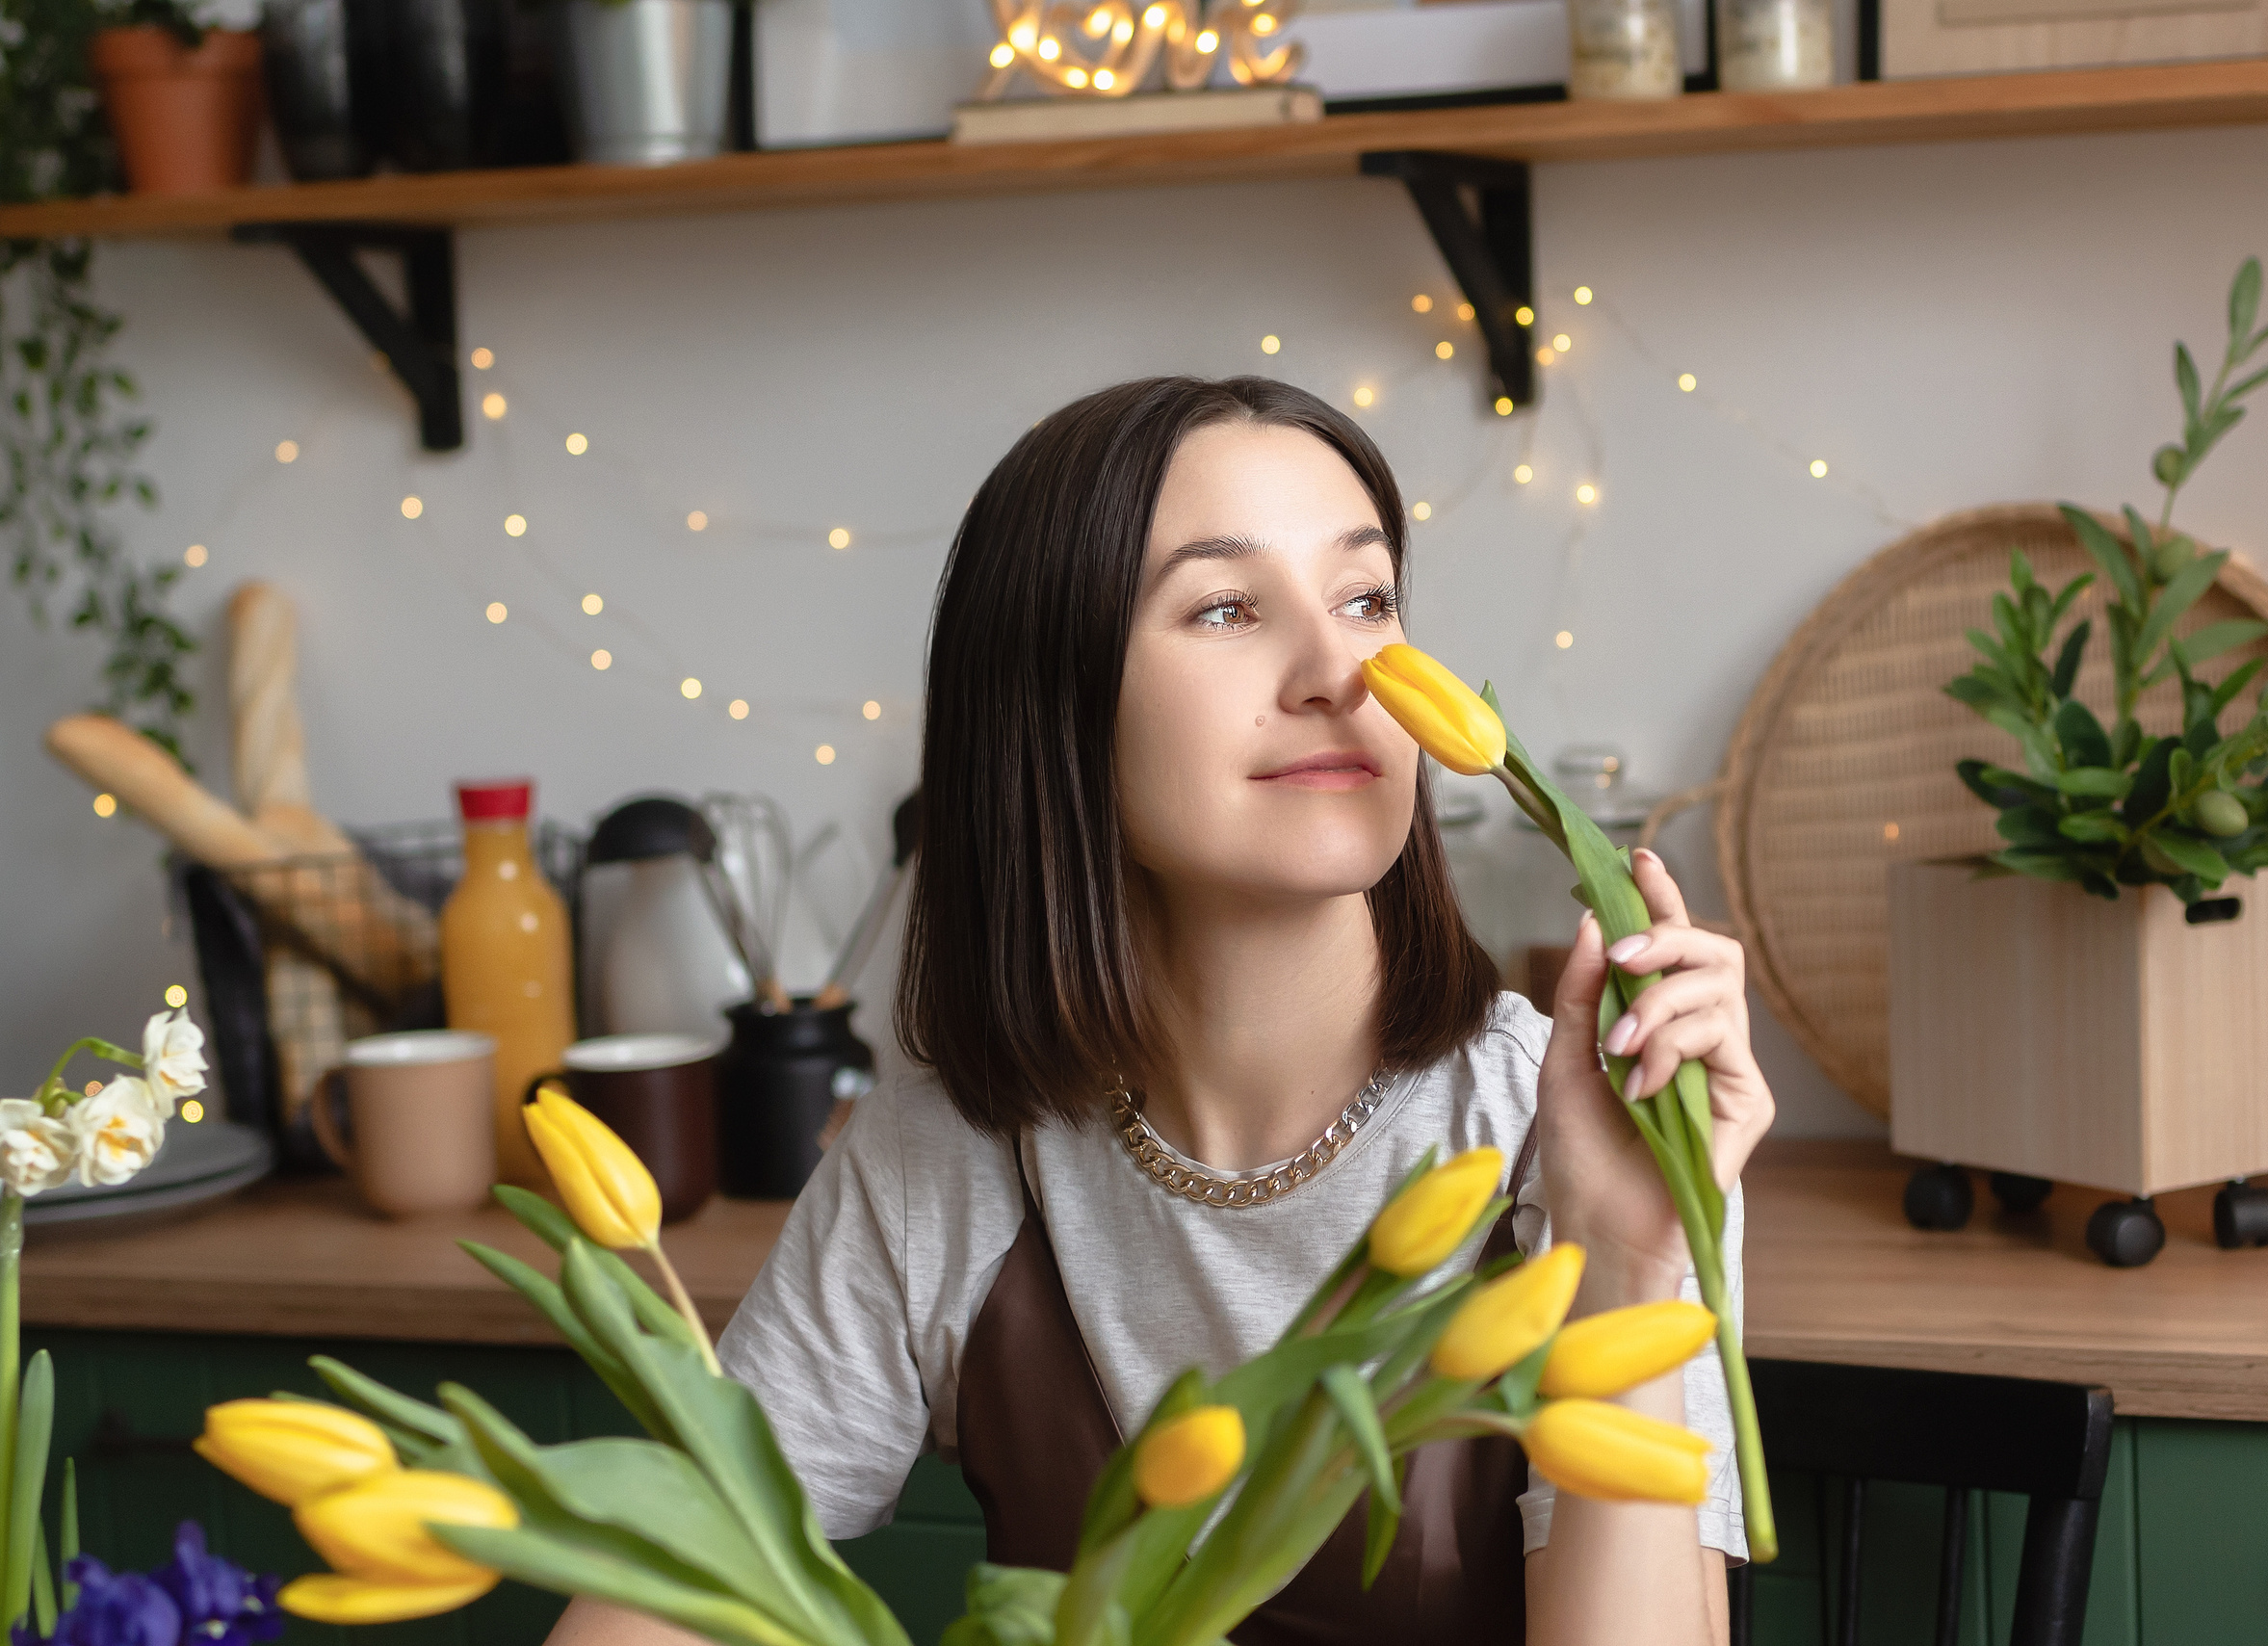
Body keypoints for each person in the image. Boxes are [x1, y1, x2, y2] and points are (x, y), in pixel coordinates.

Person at [548, 377, 1775, 1646]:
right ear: (1055, 710)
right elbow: (660, 1601)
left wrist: (1627, 1258)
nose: (1339, 671)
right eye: (1228, 606)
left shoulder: (1580, 1123)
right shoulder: (950, 1157)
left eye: (1365, 598)